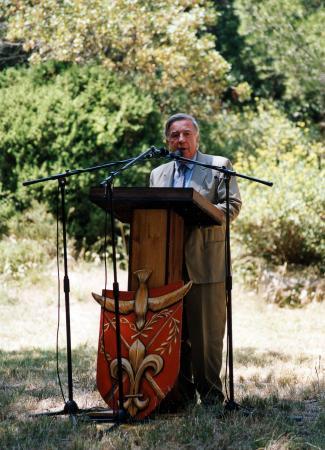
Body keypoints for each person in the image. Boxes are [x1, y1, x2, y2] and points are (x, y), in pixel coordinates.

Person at [149, 113, 242, 410]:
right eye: (174, 135)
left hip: (206, 263)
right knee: (175, 335)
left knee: (207, 338)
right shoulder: (158, 174)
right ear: (167, 141)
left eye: (186, 134)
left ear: (197, 137)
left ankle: (213, 399)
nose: (181, 140)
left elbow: (233, 206)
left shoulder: (218, 166)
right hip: (166, 265)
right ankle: (179, 397)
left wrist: (202, 212)